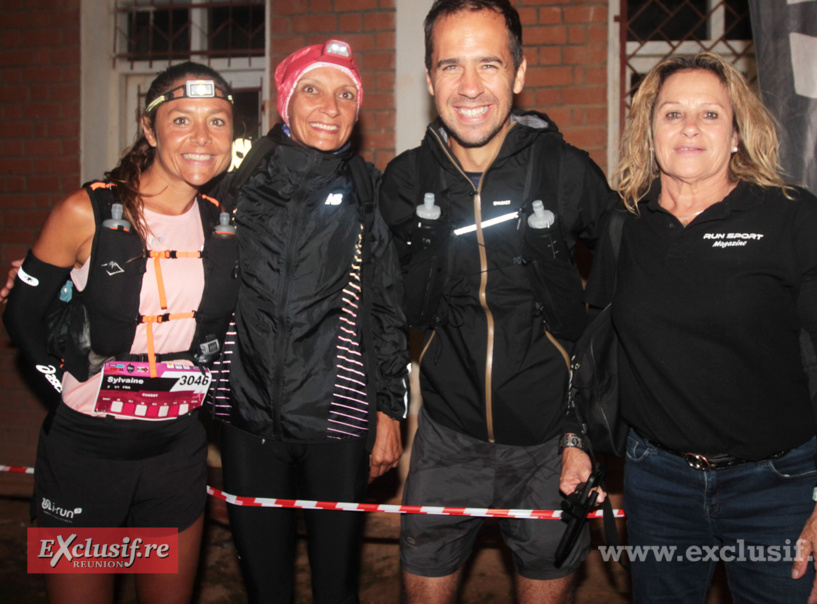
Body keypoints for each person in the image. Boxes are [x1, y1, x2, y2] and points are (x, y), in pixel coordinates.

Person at [586, 52, 817, 603]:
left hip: (777, 489)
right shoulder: (622, 227)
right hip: (657, 483)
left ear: (736, 134)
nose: (689, 127)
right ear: (649, 130)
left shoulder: (793, 218)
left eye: (710, 115)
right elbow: (596, 345)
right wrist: (577, 439)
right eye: (671, 113)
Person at [378, 1, 617, 602]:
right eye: (450, 66)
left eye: (489, 64)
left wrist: (586, 423)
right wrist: (386, 403)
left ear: (518, 72)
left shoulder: (565, 172)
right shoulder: (405, 182)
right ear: (429, 79)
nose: (470, 87)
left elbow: (625, 289)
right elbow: (377, 306)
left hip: (546, 447)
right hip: (444, 440)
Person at [2, 62, 239, 603]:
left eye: (218, 122)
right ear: (150, 129)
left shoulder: (229, 222)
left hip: (177, 455)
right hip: (85, 457)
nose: (202, 138)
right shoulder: (85, 210)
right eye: (182, 121)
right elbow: (20, 315)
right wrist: (60, 388)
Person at [212, 40, 409, 604]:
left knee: (336, 585)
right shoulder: (237, 185)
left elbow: (387, 308)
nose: (331, 106)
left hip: (340, 419)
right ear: (285, 101)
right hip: (247, 417)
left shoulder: (367, 193)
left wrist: (390, 409)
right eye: (313, 89)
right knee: (264, 586)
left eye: (346, 94)